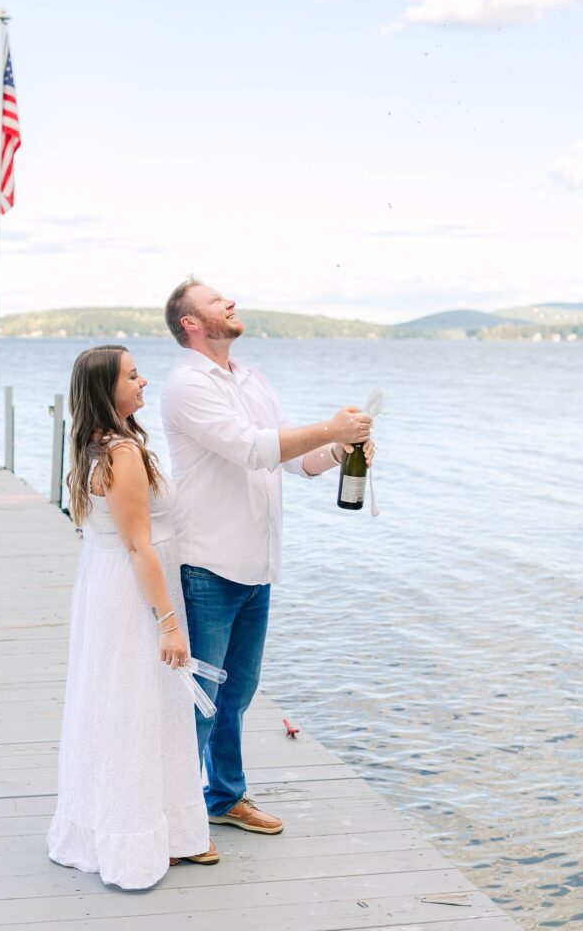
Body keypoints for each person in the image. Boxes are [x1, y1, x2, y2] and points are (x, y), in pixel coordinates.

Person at [161, 279, 374, 835]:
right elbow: (253, 448)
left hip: (257, 563)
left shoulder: (251, 379)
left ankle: (224, 796)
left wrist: (338, 448)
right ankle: (172, 813)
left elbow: (293, 461)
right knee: (199, 699)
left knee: (236, 694)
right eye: (216, 301)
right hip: (207, 562)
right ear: (191, 322)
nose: (230, 302)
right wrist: (330, 426)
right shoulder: (187, 384)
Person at [47, 344, 216, 890]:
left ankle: (127, 824)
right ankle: (135, 833)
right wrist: (169, 621)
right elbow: (140, 546)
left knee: (116, 705)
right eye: (133, 375)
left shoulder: (96, 446)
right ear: (107, 389)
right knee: (137, 707)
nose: (144, 382)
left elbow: (95, 528)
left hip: (104, 585)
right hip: (132, 593)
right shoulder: (122, 452)